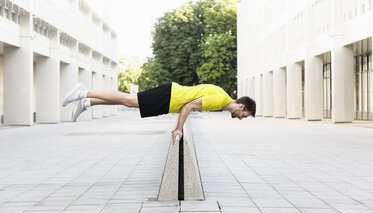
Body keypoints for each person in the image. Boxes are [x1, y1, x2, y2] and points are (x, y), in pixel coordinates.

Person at [62, 82, 256, 143]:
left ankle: (88, 102)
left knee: (130, 104)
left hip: (169, 100)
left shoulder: (220, 101)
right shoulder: (220, 99)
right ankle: (84, 92)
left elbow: (188, 105)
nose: (241, 118)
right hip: (169, 96)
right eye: (244, 115)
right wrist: (178, 128)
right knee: (128, 99)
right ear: (241, 107)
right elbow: (187, 106)